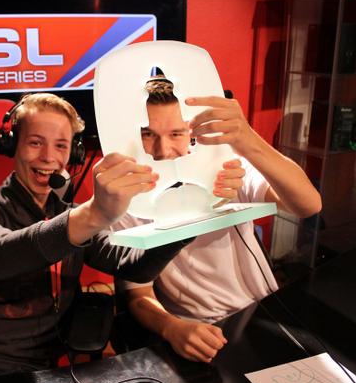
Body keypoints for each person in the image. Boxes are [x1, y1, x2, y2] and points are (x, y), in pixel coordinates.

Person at [0, 93, 200, 380]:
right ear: (13, 145)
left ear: (73, 153)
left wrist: (186, 223)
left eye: (60, 145)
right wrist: (94, 214)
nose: (48, 157)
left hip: (37, 374)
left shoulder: (72, 218)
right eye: (35, 142)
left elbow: (134, 265)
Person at [115, 76, 322, 364]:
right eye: (149, 134)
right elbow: (138, 295)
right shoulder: (125, 198)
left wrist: (247, 140)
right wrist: (172, 328)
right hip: (202, 329)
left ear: (192, 133)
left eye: (176, 134)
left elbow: (308, 204)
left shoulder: (226, 170)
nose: (163, 151)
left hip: (264, 311)